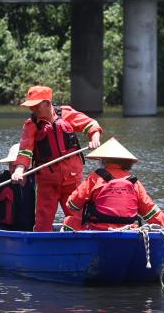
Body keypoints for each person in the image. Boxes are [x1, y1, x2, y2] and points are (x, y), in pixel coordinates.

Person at [10, 85, 103, 232]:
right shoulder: (31, 124)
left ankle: (79, 247)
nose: (32, 110)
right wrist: (19, 169)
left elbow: (91, 124)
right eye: (31, 106)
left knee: (76, 217)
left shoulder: (66, 113)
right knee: (43, 220)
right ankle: (42, 247)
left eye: (35, 106)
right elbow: (25, 150)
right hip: (47, 181)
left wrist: (95, 137)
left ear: (47, 103)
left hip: (72, 179)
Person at [63, 137, 164, 232]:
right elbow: (151, 212)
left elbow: (72, 204)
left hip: (98, 230)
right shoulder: (134, 182)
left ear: (103, 161)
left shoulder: (95, 178)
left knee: (70, 221)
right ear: (126, 163)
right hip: (129, 231)